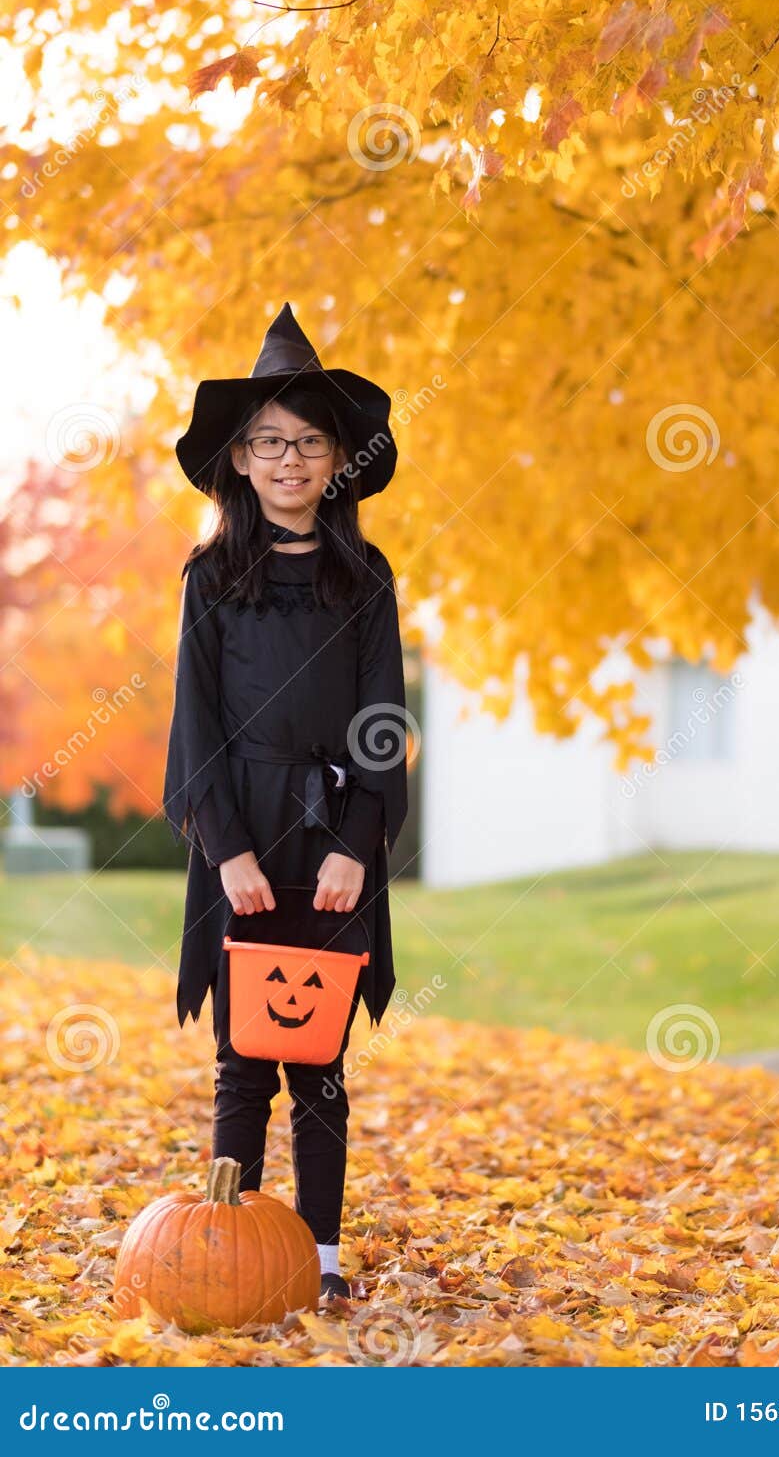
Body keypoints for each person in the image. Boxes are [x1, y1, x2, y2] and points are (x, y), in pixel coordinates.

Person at [161, 302, 408, 1310]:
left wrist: (357, 840)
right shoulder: (213, 577)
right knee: (243, 1058)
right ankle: (230, 1242)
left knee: (316, 1054)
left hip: (331, 833)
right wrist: (227, 852)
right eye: (269, 443)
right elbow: (196, 723)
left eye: (308, 443)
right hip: (245, 832)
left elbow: (382, 719)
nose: (289, 460)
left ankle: (318, 1249)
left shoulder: (364, 579)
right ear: (242, 460)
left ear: (338, 460)